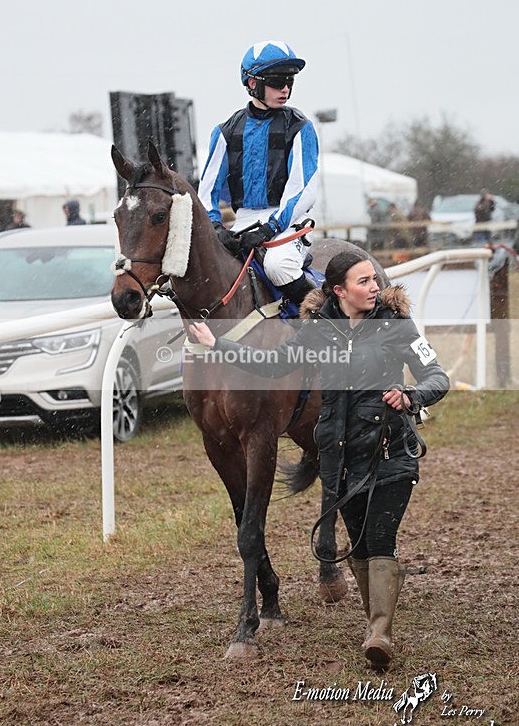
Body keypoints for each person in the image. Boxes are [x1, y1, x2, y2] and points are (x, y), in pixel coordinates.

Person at [189, 250, 449, 668]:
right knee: (361, 545)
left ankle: (379, 632)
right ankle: (375, 620)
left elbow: (437, 375)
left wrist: (412, 396)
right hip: (342, 458)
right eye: (363, 281)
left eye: (374, 280)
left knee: (380, 540)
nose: (375, 286)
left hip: (390, 450)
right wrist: (217, 343)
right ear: (338, 290)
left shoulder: (397, 323)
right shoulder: (318, 331)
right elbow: (272, 364)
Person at [198, 40, 319, 306]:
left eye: (289, 80)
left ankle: (329, 322)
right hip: (243, 220)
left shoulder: (300, 127)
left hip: (288, 222)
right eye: (277, 81)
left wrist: (271, 227)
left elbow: (303, 190)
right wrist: (216, 227)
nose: (285, 88)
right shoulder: (225, 132)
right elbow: (206, 192)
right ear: (252, 83)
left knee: (277, 266)